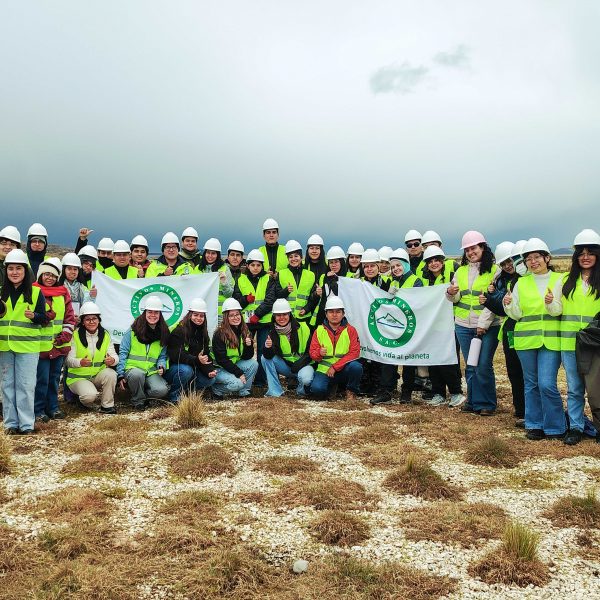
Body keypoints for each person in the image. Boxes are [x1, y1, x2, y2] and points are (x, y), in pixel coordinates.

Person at [504, 238, 565, 440]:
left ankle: (556, 426)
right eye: (528, 259)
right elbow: (516, 314)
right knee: (530, 384)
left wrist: (551, 303)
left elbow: (558, 311)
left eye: (537, 257)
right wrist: (508, 304)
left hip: (550, 340)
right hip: (526, 340)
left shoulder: (560, 279)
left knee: (546, 384)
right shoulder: (520, 283)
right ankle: (534, 424)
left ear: (547, 258)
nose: (533, 261)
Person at [560, 229, 600, 445]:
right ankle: (576, 427)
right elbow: (556, 309)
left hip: (595, 344)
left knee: (597, 389)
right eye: (581, 253)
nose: (585, 257)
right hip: (570, 343)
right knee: (575, 389)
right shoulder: (566, 281)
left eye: (590, 252)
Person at [0, 249, 47, 434]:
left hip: (27, 347)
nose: (14, 272)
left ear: (25, 271)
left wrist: (34, 316)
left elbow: (44, 318)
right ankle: (11, 424)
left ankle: (26, 425)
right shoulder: (1, 292)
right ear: (6, 270)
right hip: (4, 346)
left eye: (18, 268)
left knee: (26, 386)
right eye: (10, 268)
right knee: (7, 385)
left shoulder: (36, 292)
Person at [483, 242, 525, 427]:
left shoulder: (525, 278)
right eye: (503, 263)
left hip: (527, 329)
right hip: (510, 330)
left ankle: (531, 409)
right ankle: (520, 408)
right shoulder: (500, 281)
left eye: (510, 261)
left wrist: (490, 300)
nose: (508, 266)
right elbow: (502, 309)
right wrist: (489, 299)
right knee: (514, 370)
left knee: (527, 372)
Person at [418, 246, 464, 408]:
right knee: (433, 359)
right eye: (430, 261)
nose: (434, 263)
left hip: (449, 323)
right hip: (431, 324)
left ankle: (456, 392)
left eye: (437, 260)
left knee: (448, 359)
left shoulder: (451, 276)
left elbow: (457, 297)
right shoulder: (424, 280)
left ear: (442, 261)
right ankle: (438, 392)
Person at [33, 259, 76, 422]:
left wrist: (65, 334)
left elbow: (69, 317)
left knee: (54, 378)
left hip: (59, 345)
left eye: (53, 275)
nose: (50, 278)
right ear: (40, 275)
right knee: (41, 379)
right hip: (40, 346)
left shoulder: (63, 293)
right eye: (46, 274)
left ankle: (53, 408)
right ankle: (38, 410)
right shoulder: (33, 291)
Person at [117, 295, 170, 410]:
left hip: (151, 371)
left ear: (160, 314)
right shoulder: (132, 331)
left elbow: (162, 356)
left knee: (162, 390)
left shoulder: (163, 333)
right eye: (150, 312)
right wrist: (120, 374)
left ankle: (142, 395)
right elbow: (123, 352)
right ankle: (138, 401)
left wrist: (162, 365)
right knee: (137, 375)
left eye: (156, 312)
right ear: (145, 312)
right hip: (133, 369)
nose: (153, 315)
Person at [65, 302, 119, 414]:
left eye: (94, 318)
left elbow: (114, 355)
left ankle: (107, 406)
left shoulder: (105, 335)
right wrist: (80, 362)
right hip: (78, 378)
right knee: (89, 396)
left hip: (97, 375)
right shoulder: (74, 335)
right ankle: (81, 400)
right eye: (87, 319)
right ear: (82, 322)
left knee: (111, 374)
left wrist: (113, 360)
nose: (91, 322)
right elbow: (68, 361)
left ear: (99, 320)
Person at [233, 249, 276, 386]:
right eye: (253, 265)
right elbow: (236, 301)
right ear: (247, 265)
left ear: (262, 266)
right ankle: (244, 378)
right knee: (245, 350)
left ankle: (260, 381)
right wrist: (246, 299)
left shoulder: (268, 279)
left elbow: (270, 300)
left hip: (264, 321)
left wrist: (257, 314)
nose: (255, 268)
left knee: (263, 351)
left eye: (258, 265)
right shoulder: (241, 279)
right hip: (246, 323)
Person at [309, 296, 362, 400]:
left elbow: (354, 353)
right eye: (331, 312)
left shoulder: (351, 330)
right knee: (317, 390)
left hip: (343, 369)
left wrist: (335, 367)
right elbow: (312, 354)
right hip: (324, 370)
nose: (334, 315)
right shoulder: (319, 330)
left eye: (338, 312)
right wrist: (319, 353)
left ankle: (351, 391)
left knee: (356, 367)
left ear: (343, 314)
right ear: (326, 314)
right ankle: (332, 388)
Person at [164, 298, 217, 403]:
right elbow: (177, 355)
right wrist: (197, 360)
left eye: (201, 316)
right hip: (175, 368)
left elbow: (205, 355)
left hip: (192, 367)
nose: (199, 318)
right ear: (189, 315)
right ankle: (174, 396)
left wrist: (209, 370)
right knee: (186, 370)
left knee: (210, 380)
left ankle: (187, 391)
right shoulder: (179, 330)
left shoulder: (203, 333)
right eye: (195, 315)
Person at [262, 299, 315, 397]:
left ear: (290, 314)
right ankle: (275, 391)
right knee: (264, 358)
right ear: (274, 316)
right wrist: (267, 347)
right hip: (287, 366)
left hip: (303, 364)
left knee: (306, 379)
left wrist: (299, 364)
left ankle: (301, 391)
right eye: (278, 315)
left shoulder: (304, 328)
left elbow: (311, 352)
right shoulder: (272, 332)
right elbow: (268, 356)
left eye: (284, 314)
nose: (281, 318)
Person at [211, 298, 258, 398]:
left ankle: (244, 391)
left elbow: (246, 357)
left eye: (237, 314)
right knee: (237, 383)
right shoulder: (219, 334)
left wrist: (248, 346)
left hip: (232, 364)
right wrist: (239, 373)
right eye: (231, 315)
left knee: (253, 364)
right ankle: (217, 389)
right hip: (219, 369)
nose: (235, 317)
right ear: (226, 318)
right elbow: (222, 360)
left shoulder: (244, 330)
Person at [277, 240, 318, 325]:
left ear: (301, 257)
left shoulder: (310, 275)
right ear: (288, 259)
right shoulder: (281, 274)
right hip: (286, 319)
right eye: (290, 257)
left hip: (304, 319)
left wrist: (306, 309)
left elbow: (313, 298)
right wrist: (285, 291)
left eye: (296, 256)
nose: (293, 259)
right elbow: (276, 295)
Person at [195, 238, 234, 323]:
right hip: (201, 313)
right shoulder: (198, 269)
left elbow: (229, 294)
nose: (210, 256)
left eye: (213, 253)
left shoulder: (225, 269)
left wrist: (224, 282)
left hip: (220, 314)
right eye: (208, 252)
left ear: (217, 255)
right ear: (204, 253)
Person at [312, 246, 348, 327]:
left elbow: (340, 293)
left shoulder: (348, 277)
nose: (333, 265)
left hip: (342, 317)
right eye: (331, 262)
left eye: (336, 262)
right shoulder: (323, 277)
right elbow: (320, 298)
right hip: (324, 316)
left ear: (341, 262)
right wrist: (317, 293)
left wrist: (332, 280)